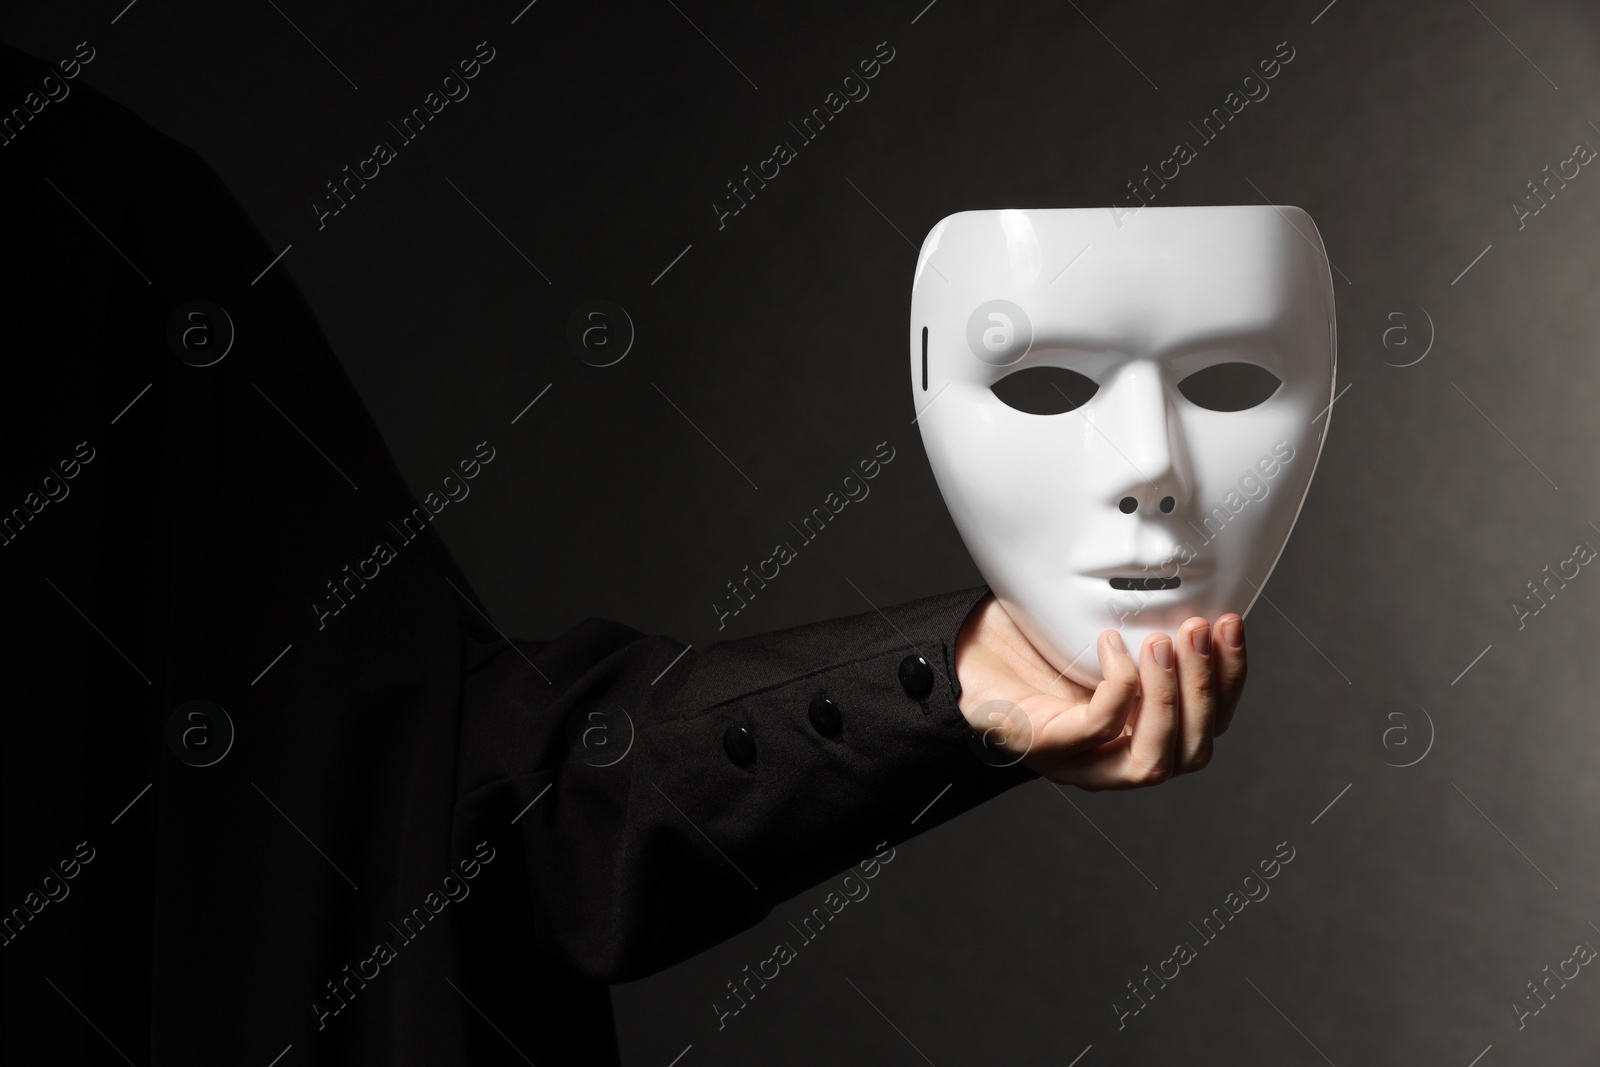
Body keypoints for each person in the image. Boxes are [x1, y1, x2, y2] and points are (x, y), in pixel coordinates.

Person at [0, 42, 1244, 1065]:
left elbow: (445, 799)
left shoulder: (70, 212)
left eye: (1221, 379)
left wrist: (952, 679)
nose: (1151, 457)